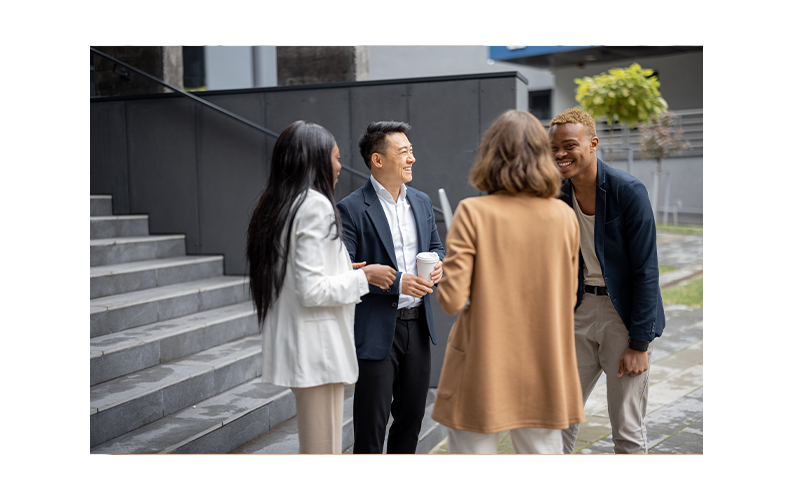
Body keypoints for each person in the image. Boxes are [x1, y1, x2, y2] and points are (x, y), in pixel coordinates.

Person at [431, 109, 585, 454]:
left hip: (482, 365)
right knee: (539, 457)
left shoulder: (472, 212)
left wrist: (450, 268)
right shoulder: (563, 216)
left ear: (491, 154)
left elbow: (452, 300)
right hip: (545, 365)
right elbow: (569, 294)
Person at [246, 120, 396, 454]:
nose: (340, 166)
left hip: (306, 347)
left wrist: (344, 266)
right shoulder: (314, 206)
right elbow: (311, 290)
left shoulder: (281, 205)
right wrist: (365, 277)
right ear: (313, 160)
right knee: (321, 451)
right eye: (336, 157)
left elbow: (298, 274)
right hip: (317, 349)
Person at [549, 108, 665, 454]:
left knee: (627, 430)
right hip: (578, 311)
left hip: (623, 317)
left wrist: (640, 343)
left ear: (593, 143)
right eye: (554, 148)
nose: (560, 155)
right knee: (554, 420)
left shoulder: (628, 191)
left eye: (569, 145)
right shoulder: (556, 194)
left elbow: (646, 269)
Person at [336, 121, 446, 454]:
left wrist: (438, 264)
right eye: (403, 152)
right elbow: (346, 269)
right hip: (376, 331)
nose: (411, 158)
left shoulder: (423, 202)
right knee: (371, 426)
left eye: (411, 151)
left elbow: (436, 246)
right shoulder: (352, 208)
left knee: (411, 420)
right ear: (377, 160)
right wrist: (398, 281)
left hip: (418, 327)